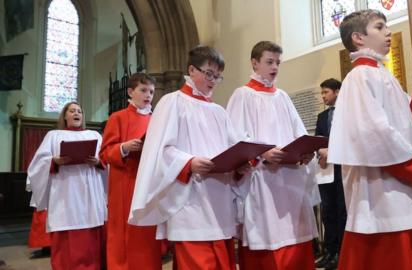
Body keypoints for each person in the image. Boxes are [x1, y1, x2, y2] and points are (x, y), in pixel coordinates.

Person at [328, 9, 412, 269]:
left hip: (406, 188)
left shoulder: (383, 75)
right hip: (383, 194)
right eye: (380, 27)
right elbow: (374, 135)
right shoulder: (359, 77)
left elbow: (410, 127)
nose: (388, 32)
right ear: (358, 38)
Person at [128, 46, 244, 270]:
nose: (213, 80)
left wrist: (242, 162)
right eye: (208, 74)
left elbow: (233, 147)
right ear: (192, 70)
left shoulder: (219, 112)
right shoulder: (172, 102)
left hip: (219, 196)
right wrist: (189, 162)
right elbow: (160, 151)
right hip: (189, 198)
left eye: (217, 76)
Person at [226, 41, 319, 270]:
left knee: (296, 238)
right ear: (254, 63)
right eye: (269, 62)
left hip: (290, 179)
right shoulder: (242, 95)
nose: (275, 67)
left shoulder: (283, 97)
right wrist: (262, 153)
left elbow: (300, 133)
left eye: (278, 62)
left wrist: (307, 153)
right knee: (268, 243)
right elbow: (234, 140)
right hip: (262, 180)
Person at [27, 102, 107, 270]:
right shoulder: (53, 135)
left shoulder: (94, 135)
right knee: (66, 237)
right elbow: (37, 165)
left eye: (79, 111)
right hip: (64, 193)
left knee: (90, 238)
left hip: (90, 194)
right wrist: (54, 161)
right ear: (65, 116)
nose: (76, 113)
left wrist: (98, 162)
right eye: (72, 111)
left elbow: (107, 160)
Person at [100, 73, 165, 270]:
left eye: (151, 92)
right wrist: (125, 147)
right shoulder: (118, 117)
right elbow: (104, 154)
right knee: (124, 235)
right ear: (130, 92)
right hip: (125, 184)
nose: (148, 95)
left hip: (150, 185)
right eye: (143, 90)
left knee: (147, 235)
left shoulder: (157, 121)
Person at [314, 78, 346, 269]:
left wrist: (331, 151)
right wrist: (320, 152)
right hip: (325, 170)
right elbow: (318, 140)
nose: (323, 96)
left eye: (326, 92)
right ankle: (330, 251)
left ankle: (342, 252)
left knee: (342, 212)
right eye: (322, 93)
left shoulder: (347, 113)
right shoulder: (321, 116)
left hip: (342, 169)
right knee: (327, 212)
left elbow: (348, 137)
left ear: (336, 91)